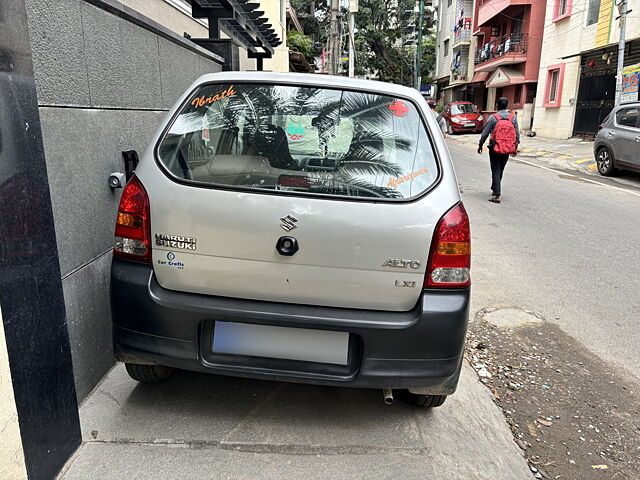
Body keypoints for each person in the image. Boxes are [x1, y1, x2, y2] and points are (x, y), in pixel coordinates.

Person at [477, 97, 519, 203]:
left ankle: (497, 195)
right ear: (507, 106)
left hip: (495, 147)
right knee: (500, 168)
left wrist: (480, 144)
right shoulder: (512, 118)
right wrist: (515, 148)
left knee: (495, 169)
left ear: (497, 106)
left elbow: (485, 133)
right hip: (507, 148)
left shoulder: (493, 118)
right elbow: (517, 135)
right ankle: (495, 188)